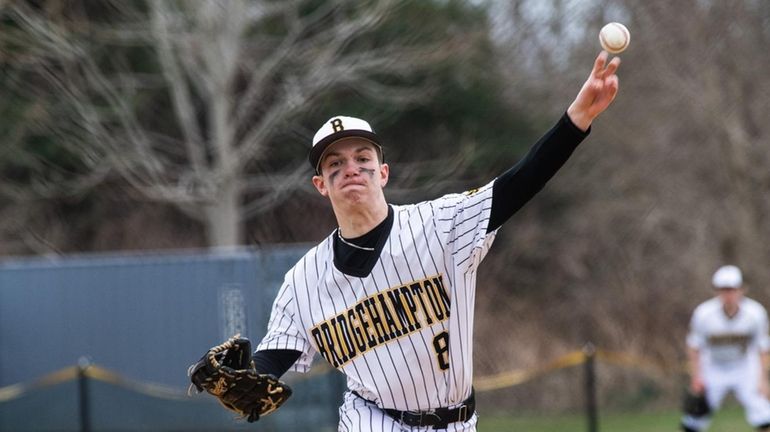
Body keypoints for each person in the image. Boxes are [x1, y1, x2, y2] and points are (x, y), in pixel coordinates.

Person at [250, 51, 620, 431]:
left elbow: (520, 183)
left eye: (363, 158)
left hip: (455, 420)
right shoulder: (304, 280)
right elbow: (273, 359)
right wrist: (240, 377)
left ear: (383, 173)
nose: (351, 169)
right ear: (321, 186)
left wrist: (576, 121)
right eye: (335, 164)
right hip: (372, 420)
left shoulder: (442, 225)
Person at [681, 265, 770, 432]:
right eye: (723, 289)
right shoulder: (704, 313)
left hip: (744, 366)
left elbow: (762, 347)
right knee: (695, 417)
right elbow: (694, 347)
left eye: (732, 289)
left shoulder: (755, 313)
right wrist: (696, 377)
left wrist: (763, 380)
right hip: (713, 366)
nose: (728, 294)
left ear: (742, 289)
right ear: (716, 291)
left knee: (764, 414)